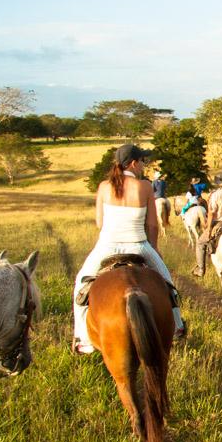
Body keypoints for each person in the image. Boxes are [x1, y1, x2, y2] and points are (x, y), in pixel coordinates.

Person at [71, 144, 186, 354]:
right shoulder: (144, 187)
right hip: (139, 245)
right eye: (143, 161)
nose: (144, 165)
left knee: (80, 285)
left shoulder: (104, 186)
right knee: (168, 284)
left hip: (107, 245)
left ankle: (83, 338)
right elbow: (152, 225)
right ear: (133, 163)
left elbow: (99, 222)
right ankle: (177, 325)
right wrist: (154, 248)